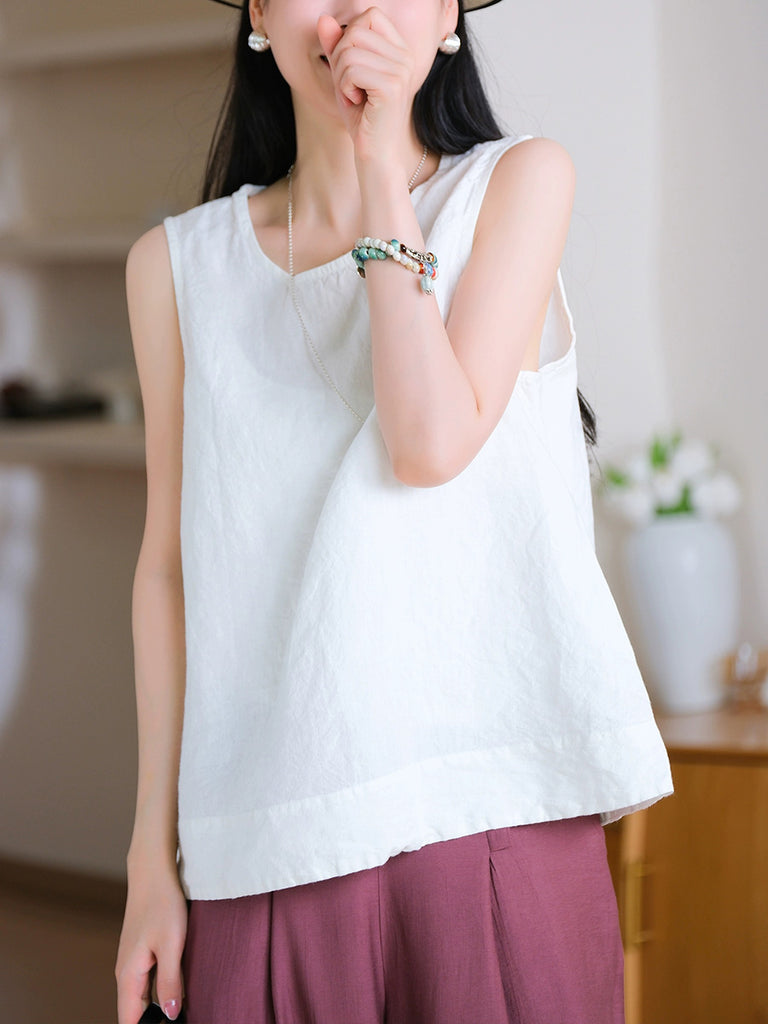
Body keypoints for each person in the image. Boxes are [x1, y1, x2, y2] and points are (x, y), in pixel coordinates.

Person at [114, 0, 673, 1021]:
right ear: (258, 11)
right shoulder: (175, 268)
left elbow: (428, 443)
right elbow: (169, 568)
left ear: (450, 12)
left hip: (491, 816)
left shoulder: (517, 183)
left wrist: (378, 165)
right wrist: (152, 855)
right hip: (262, 839)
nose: (360, 8)